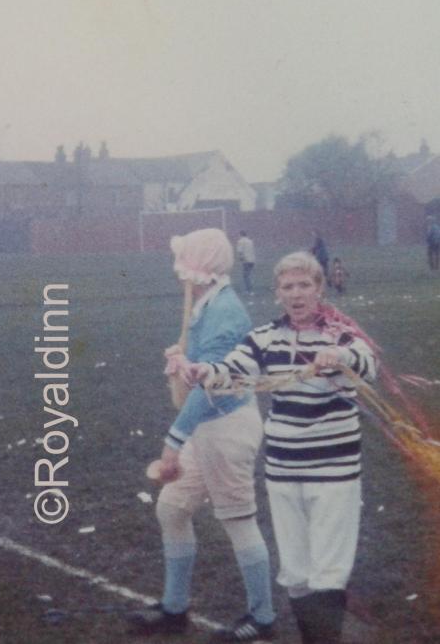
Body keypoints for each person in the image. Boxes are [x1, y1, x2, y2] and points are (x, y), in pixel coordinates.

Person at [186, 252, 377, 644]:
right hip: (284, 470)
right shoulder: (264, 337)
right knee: (296, 571)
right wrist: (204, 372)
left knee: (328, 571)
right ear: (277, 293)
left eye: (304, 285)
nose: (296, 294)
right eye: (287, 287)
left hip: (333, 471)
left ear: (319, 289)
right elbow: (232, 369)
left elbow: (367, 363)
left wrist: (338, 356)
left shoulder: (341, 334)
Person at [128, 229, 275, 642]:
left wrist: (172, 443)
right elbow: (202, 371)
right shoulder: (207, 302)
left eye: (185, 265)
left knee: (238, 520)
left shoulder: (225, 312)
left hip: (227, 428)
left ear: (202, 267)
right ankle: (175, 608)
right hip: (209, 427)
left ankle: (262, 619)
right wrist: (182, 361)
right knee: (172, 509)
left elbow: (213, 387)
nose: (179, 275)